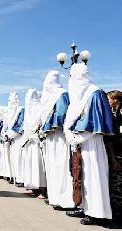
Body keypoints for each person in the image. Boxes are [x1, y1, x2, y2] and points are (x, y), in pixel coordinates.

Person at [64, 63, 114, 225]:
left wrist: (76, 138)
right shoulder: (81, 96)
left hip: (92, 143)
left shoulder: (95, 93)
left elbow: (94, 123)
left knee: (94, 176)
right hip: (80, 143)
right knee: (81, 176)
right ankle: (85, 207)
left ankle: (97, 213)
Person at [40, 70, 74, 209]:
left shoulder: (62, 94)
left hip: (59, 135)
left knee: (61, 166)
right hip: (50, 136)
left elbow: (61, 115)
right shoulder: (49, 97)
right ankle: (55, 197)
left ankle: (65, 199)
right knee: (52, 166)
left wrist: (51, 125)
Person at [22, 89, 46, 199]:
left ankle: (42, 189)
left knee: (39, 166)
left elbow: (42, 123)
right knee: (31, 166)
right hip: (29, 142)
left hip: (36, 142)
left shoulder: (40, 108)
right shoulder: (28, 111)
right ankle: (34, 187)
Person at [106, 90, 122, 219]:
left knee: (117, 187)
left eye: (109, 99)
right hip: (117, 154)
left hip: (119, 155)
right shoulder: (115, 114)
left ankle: (117, 216)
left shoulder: (119, 116)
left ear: (115, 100)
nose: (108, 101)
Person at [4, 92, 25, 186]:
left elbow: (19, 125)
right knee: (13, 159)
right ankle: (14, 177)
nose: (10, 103)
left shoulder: (21, 110)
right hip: (11, 139)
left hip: (18, 138)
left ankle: (20, 179)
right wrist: (5, 135)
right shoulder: (9, 113)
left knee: (19, 159)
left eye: (12, 100)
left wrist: (9, 135)